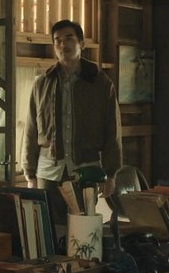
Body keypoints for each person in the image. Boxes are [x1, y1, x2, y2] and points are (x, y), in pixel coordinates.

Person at [22, 19, 122, 234]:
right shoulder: (42, 83)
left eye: (69, 38)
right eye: (57, 40)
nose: (63, 44)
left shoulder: (100, 82)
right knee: (51, 228)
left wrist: (111, 173)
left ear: (81, 43)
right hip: (48, 170)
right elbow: (30, 130)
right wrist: (29, 174)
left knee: (83, 227)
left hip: (86, 167)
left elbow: (112, 130)